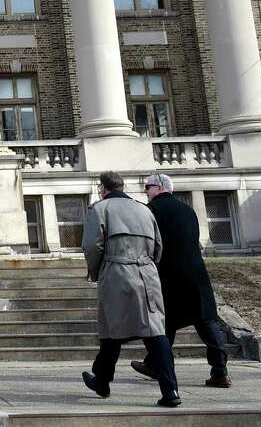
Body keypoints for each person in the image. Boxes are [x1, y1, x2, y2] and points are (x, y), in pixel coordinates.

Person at [81, 171, 181, 408]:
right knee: (155, 332)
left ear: (102, 188)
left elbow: (92, 246)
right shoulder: (144, 209)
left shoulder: (100, 209)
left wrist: (96, 272)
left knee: (112, 330)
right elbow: (158, 245)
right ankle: (170, 390)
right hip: (147, 273)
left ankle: (102, 381)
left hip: (116, 271)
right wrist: (148, 266)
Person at [132, 173, 231, 388]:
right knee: (206, 321)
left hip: (167, 274)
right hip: (195, 272)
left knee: (164, 323)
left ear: (159, 187)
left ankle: (156, 364)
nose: (146, 191)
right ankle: (220, 371)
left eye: (148, 187)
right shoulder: (188, 210)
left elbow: (148, 243)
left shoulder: (151, 211)